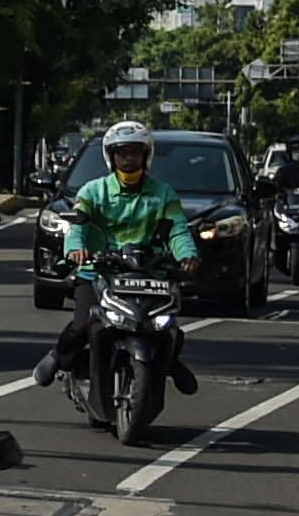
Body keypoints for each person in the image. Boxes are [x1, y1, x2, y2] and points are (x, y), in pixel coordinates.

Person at [32, 119, 198, 390]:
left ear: (146, 156)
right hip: (98, 272)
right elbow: (78, 226)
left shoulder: (163, 194)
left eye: (135, 152)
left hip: (148, 274)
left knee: (168, 327)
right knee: (83, 325)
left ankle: (169, 362)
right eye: (122, 153)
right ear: (111, 157)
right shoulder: (93, 192)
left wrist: (187, 255)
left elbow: (177, 229)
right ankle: (58, 355)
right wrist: (75, 250)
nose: (129, 159)